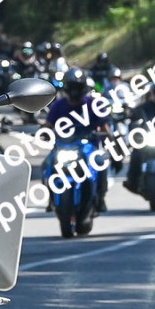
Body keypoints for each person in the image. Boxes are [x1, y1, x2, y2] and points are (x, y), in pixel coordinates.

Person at [45, 67, 110, 210]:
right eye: (72, 87)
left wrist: (107, 136)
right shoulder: (58, 105)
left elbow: (105, 127)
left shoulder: (94, 104)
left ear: (84, 88)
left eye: (78, 87)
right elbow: (47, 126)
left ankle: (100, 197)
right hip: (63, 146)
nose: (74, 91)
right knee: (47, 164)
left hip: (88, 147)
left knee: (100, 162)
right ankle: (51, 198)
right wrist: (44, 133)